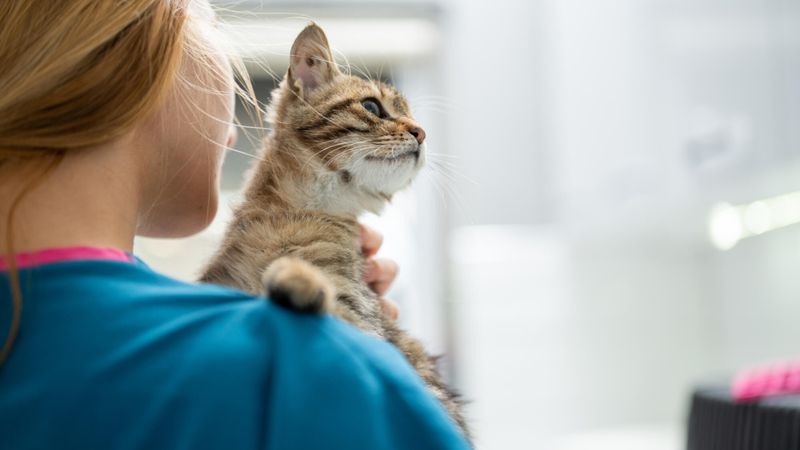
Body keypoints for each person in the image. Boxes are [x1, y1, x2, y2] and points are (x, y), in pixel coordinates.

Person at [0, 1, 469, 449]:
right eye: (211, 21)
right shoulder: (308, 370)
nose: (236, 128)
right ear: (127, 62)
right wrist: (345, 355)